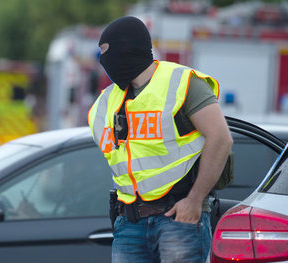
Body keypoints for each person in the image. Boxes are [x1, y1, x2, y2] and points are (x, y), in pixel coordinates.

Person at [88, 16, 233, 263]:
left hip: (178, 218)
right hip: (129, 223)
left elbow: (221, 139)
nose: (103, 60)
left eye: (105, 52)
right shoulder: (106, 102)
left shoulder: (182, 82)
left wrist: (195, 201)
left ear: (127, 47)